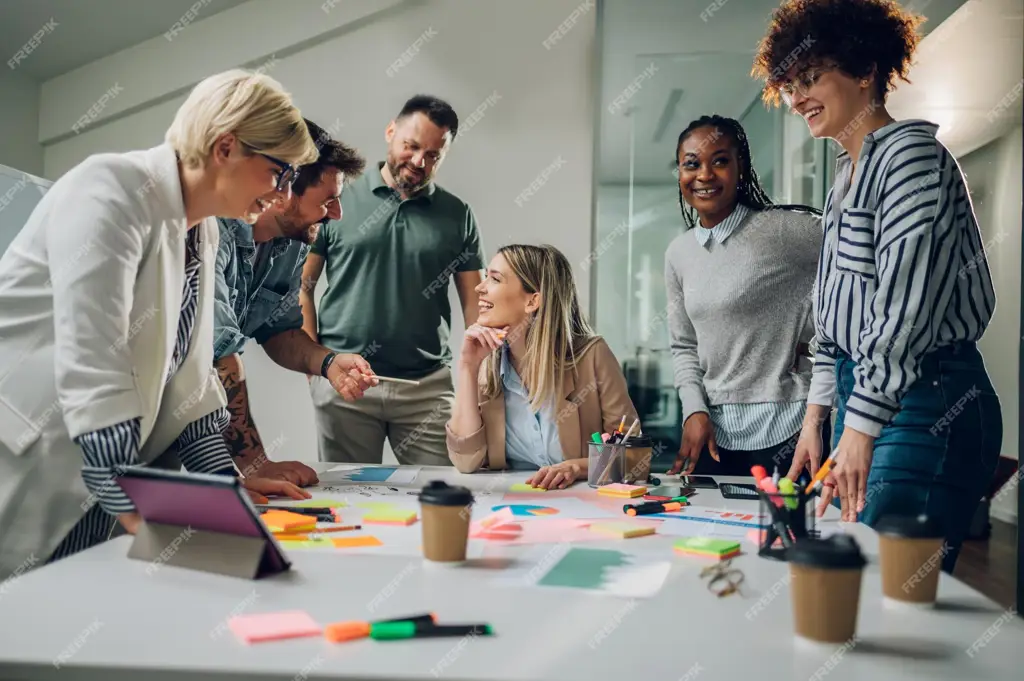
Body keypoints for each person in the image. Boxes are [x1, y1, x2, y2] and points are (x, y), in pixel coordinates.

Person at [0, 69, 315, 579]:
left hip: (98, 473)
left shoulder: (203, 231)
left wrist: (228, 494)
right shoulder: (110, 188)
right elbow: (93, 364)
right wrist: (147, 508)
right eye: (278, 172)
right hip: (31, 458)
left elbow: (190, 383)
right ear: (226, 147)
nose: (281, 194)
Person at [753, 0, 1001, 572]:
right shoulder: (847, 175)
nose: (796, 98)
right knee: (856, 582)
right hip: (866, 393)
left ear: (864, 70)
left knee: (887, 593)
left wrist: (859, 425)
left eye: (811, 78)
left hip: (925, 398)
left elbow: (903, 311)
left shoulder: (909, 157)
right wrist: (819, 418)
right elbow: (834, 312)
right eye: (789, 85)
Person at [302, 95, 485, 467]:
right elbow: (301, 287)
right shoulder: (337, 198)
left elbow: (475, 305)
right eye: (412, 146)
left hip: (427, 388)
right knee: (345, 505)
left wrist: (478, 380)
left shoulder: (457, 215)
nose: (420, 162)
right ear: (390, 132)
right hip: (346, 381)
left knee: (442, 496)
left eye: (433, 154)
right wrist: (315, 367)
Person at [214, 118, 376, 487]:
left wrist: (328, 362)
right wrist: (255, 462)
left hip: (193, 421)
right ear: (284, 188)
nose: (337, 214)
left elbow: (281, 332)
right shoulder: (213, 231)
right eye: (329, 200)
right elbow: (220, 350)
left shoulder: (289, 244)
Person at [665, 114, 827, 478]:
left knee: (794, 535)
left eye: (720, 161)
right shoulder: (678, 253)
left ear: (741, 169)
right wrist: (694, 410)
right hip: (713, 435)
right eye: (692, 164)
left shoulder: (784, 231)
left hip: (791, 427)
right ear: (680, 173)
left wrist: (820, 337)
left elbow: (862, 258)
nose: (704, 175)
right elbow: (683, 346)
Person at [447, 244, 639, 490]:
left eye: (494, 279)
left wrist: (576, 467)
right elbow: (465, 461)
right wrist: (467, 367)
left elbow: (634, 459)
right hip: (511, 502)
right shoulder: (485, 360)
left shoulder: (593, 356)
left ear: (533, 301)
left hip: (580, 505)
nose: (479, 287)